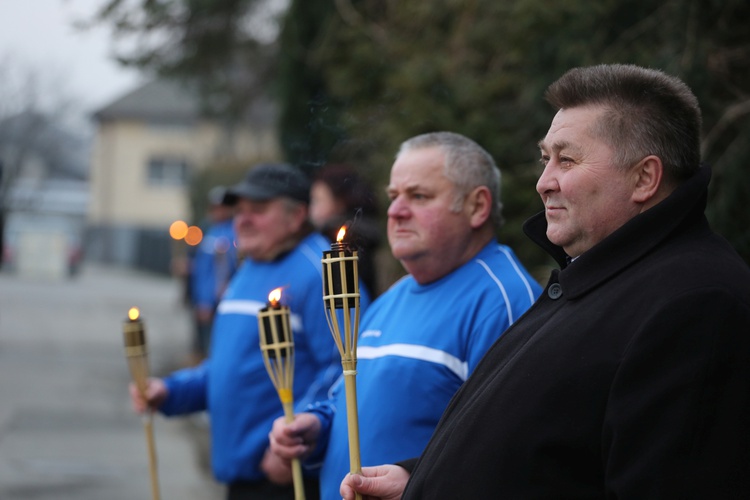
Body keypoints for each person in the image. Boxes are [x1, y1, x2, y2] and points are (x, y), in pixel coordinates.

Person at [340, 64, 750, 500]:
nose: (542, 182)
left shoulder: (698, 305)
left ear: (644, 178)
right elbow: (550, 455)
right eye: (545, 159)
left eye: (566, 160)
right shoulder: (597, 279)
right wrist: (419, 481)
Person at [267, 132, 542, 499]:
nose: (396, 211)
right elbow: (348, 397)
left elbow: (507, 453)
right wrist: (316, 425)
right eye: (394, 196)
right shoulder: (392, 296)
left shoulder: (504, 301)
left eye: (419, 196)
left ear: (477, 207)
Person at [129, 163, 371, 500]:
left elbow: (347, 370)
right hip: (240, 475)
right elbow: (229, 366)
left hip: (289, 476)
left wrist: (295, 439)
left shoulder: (322, 272)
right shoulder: (248, 268)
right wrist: (170, 392)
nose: (241, 220)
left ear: (296, 215)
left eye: (258, 210)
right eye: (239, 210)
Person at [309, 163, 382, 297]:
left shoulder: (343, 241)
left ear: (340, 203)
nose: (312, 210)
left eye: (318, 201)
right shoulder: (363, 233)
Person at [188, 185, 238, 359]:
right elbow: (203, 268)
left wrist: (207, 300)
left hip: (219, 301)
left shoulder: (234, 232)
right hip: (205, 300)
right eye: (215, 207)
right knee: (203, 347)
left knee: (215, 349)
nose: (218, 211)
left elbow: (225, 269)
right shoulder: (210, 230)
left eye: (222, 207)